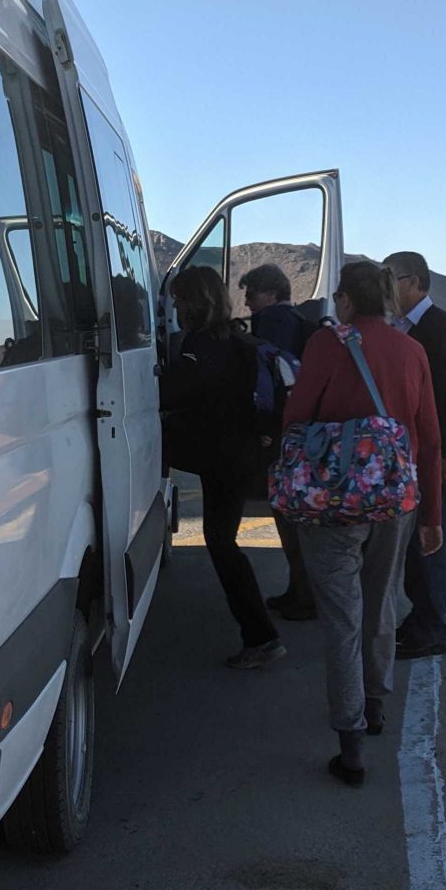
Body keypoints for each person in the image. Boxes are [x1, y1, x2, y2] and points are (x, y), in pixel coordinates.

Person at [283, 261, 442, 785]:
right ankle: (375, 707)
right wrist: (432, 514)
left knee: (342, 617)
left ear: (346, 300)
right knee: (382, 604)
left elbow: (297, 418)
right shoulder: (412, 351)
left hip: (331, 503)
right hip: (397, 501)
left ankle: (350, 741)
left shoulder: (327, 346)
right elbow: (430, 438)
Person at [161, 266, 286, 669]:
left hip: (223, 459)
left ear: (194, 301)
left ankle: (262, 637)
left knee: (221, 543)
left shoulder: (201, 344)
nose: (176, 305)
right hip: (240, 455)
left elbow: (178, 393)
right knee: (222, 541)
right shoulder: (235, 335)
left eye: (180, 298)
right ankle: (260, 635)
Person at [383, 251, 446, 660]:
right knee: (413, 545)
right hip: (407, 452)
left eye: (392, 279)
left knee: (430, 542)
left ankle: (432, 628)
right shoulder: (400, 328)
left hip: (430, 454)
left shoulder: (440, 329)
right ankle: (420, 620)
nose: (386, 288)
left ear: (415, 282)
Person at [238, 263, 316, 620]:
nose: (247, 302)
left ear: (269, 293)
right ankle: (299, 589)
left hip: (280, 434)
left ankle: (304, 594)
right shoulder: (299, 322)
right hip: (299, 431)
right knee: (294, 517)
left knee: (288, 517)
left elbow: (265, 385)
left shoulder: (272, 324)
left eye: (251, 294)